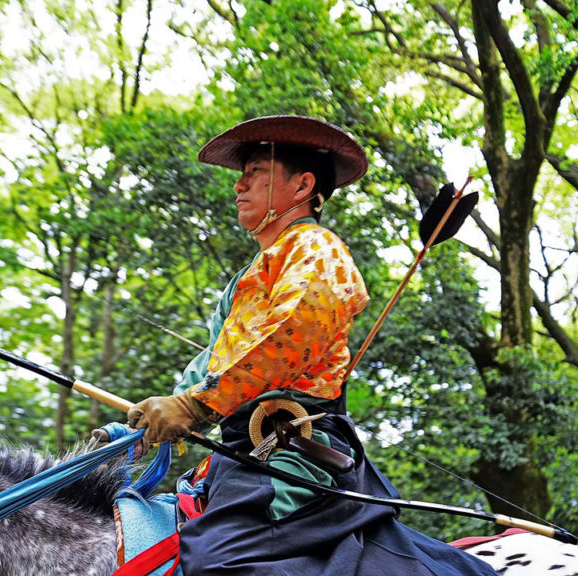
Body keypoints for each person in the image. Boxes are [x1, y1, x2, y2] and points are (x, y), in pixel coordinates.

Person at [127, 115, 496, 575]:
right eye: (242, 175)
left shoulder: (317, 249)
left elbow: (289, 336)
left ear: (302, 186)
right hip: (241, 457)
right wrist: (146, 419)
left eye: (256, 172)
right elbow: (213, 360)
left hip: (294, 454)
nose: (239, 185)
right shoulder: (254, 273)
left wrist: (194, 405)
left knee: (221, 562)